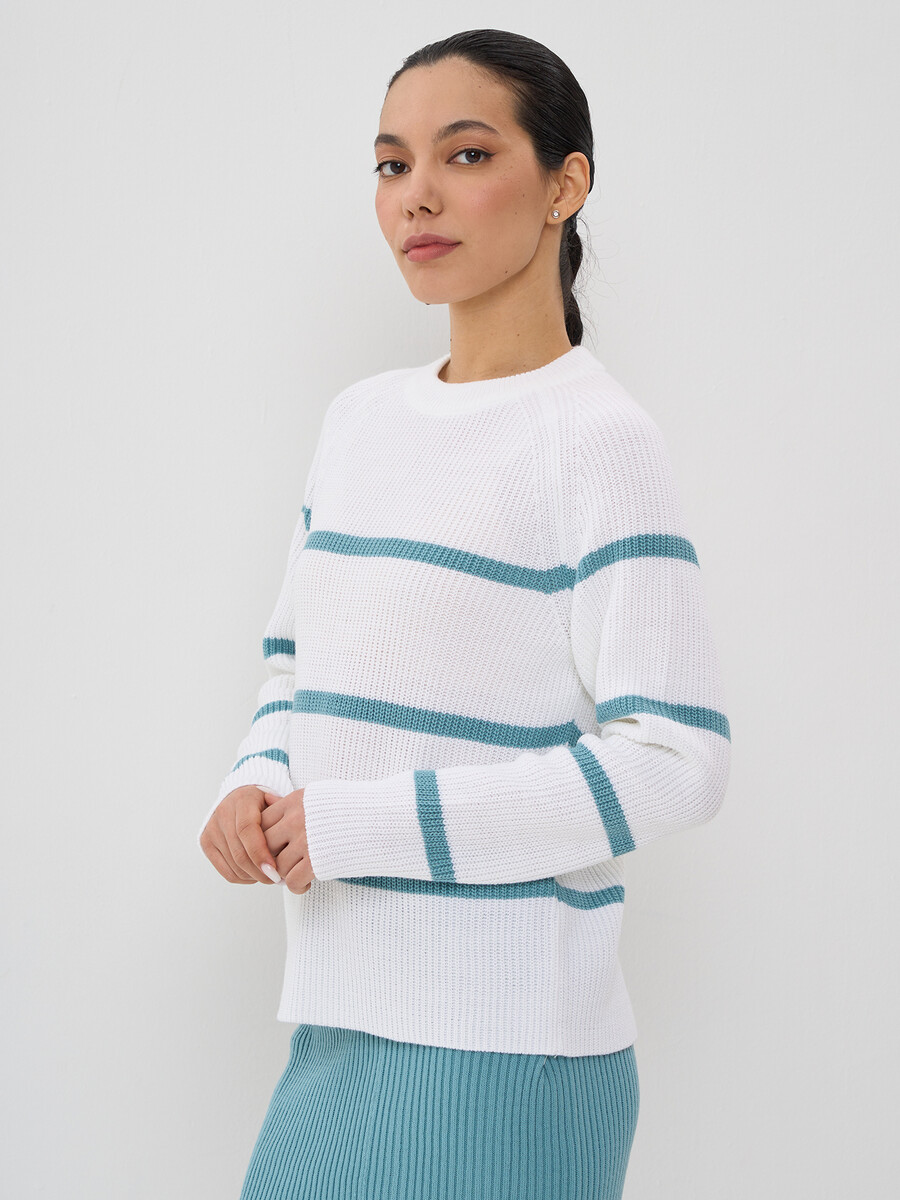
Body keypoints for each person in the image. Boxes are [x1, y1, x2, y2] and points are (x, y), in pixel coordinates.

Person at [198, 27, 731, 1200]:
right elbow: (295, 666)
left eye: (468, 154)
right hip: (337, 1015)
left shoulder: (596, 440)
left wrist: (363, 826)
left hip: (507, 1045)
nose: (417, 196)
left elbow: (679, 760)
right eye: (392, 164)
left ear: (565, 185)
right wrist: (255, 781)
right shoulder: (359, 422)